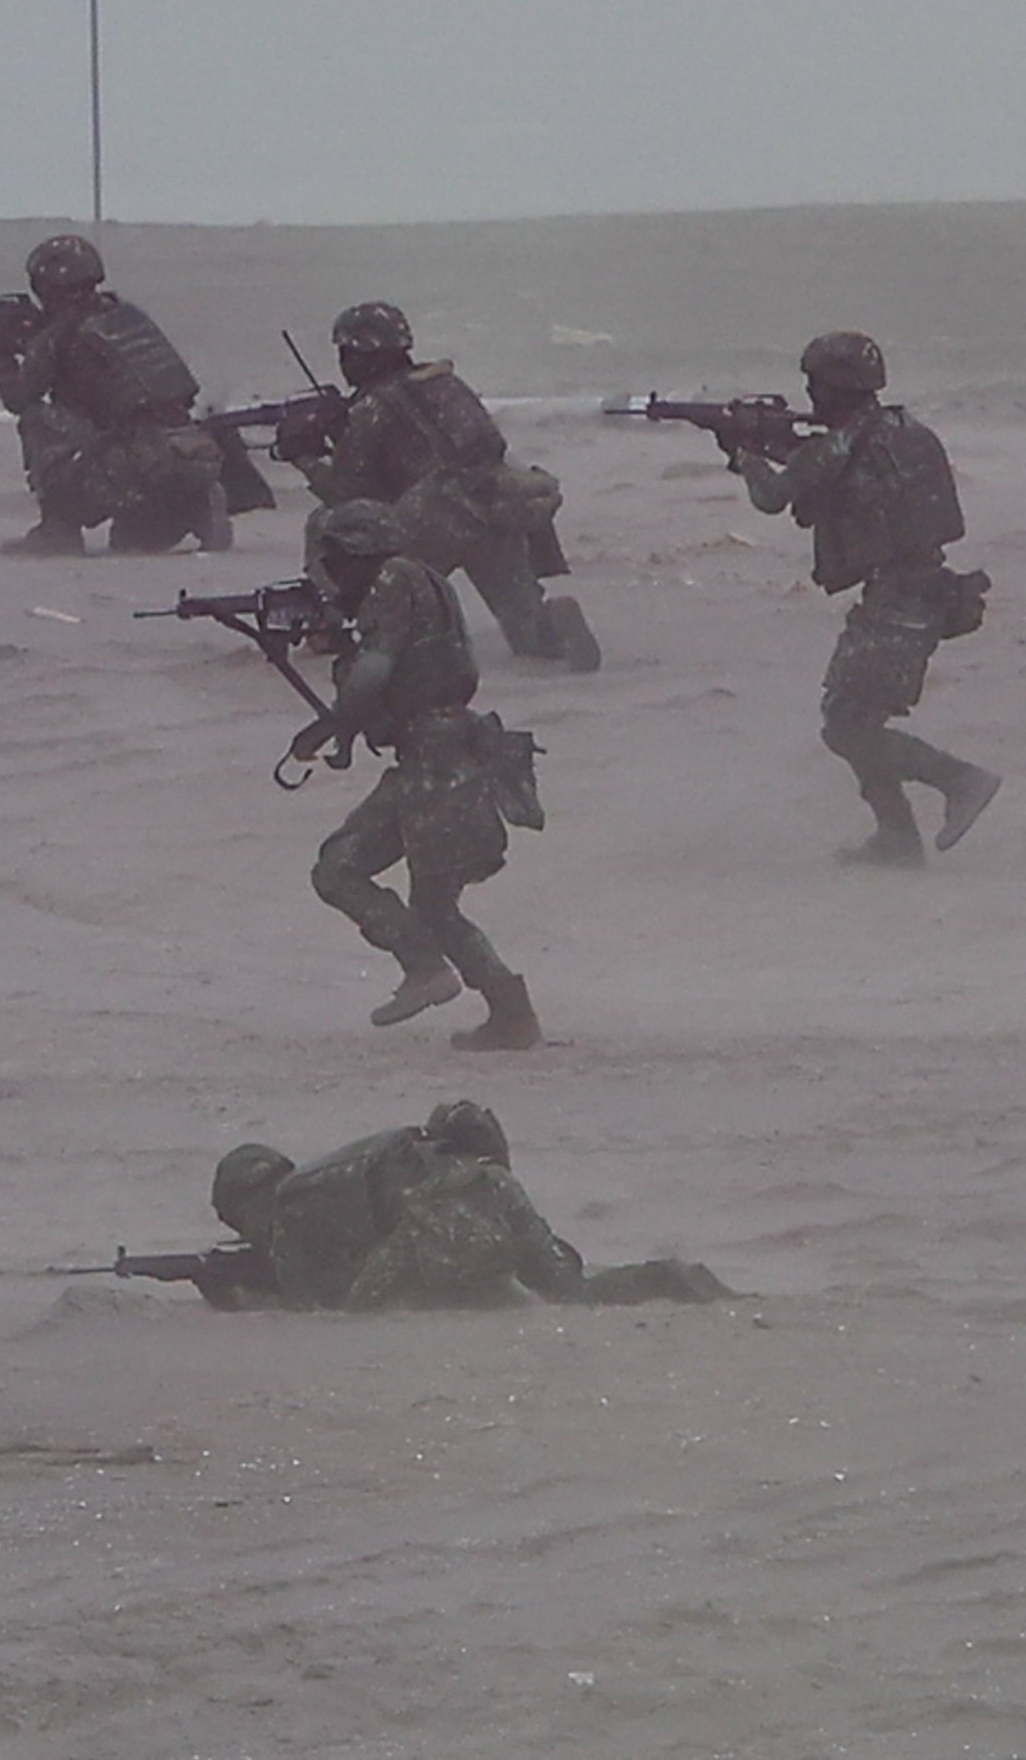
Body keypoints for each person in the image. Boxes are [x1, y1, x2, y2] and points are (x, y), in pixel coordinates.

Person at [728, 333, 998, 867]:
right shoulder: (905, 431)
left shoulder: (842, 445)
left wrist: (745, 456)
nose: (810, 391)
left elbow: (774, 498)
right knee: (852, 717)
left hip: (902, 599)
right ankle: (897, 840)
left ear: (835, 387)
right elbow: (845, 481)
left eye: (816, 383)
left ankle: (960, 782)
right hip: (925, 589)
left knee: (846, 724)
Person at [299, 497, 544, 1048]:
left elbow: (375, 671)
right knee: (418, 897)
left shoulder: (391, 581)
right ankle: (509, 1010)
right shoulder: (428, 581)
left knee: (345, 871)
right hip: (445, 752)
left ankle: (428, 970)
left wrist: (338, 725)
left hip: (436, 760)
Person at [292, 301, 598, 670]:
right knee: (526, 632)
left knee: (329, 526)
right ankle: (555, 624)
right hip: (495, 506)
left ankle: (334, 626)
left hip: (433, 517)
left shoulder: (372, 408)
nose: (344, 364)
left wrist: (304, 456)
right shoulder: (447, 384)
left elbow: (345, 494)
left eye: (347, 353)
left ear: (362, 353)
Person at [207, 1103, 720, 1311]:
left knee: (367, 1315)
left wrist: (246, 1297)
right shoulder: (329, 1181)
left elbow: (316, 1309)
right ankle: (668, 1279)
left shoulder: (293, 1210)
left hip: (437, 1216)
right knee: (571, 1294)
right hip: (490, 1182)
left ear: (251, 1200)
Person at [2, 232, 232, 556]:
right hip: (192, 456)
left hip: (139, 464)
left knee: (38, 419)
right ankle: (199, 507)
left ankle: (58, 530)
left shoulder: (60, 334)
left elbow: (19, 399)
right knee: (131, 542)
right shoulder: (127, 316)